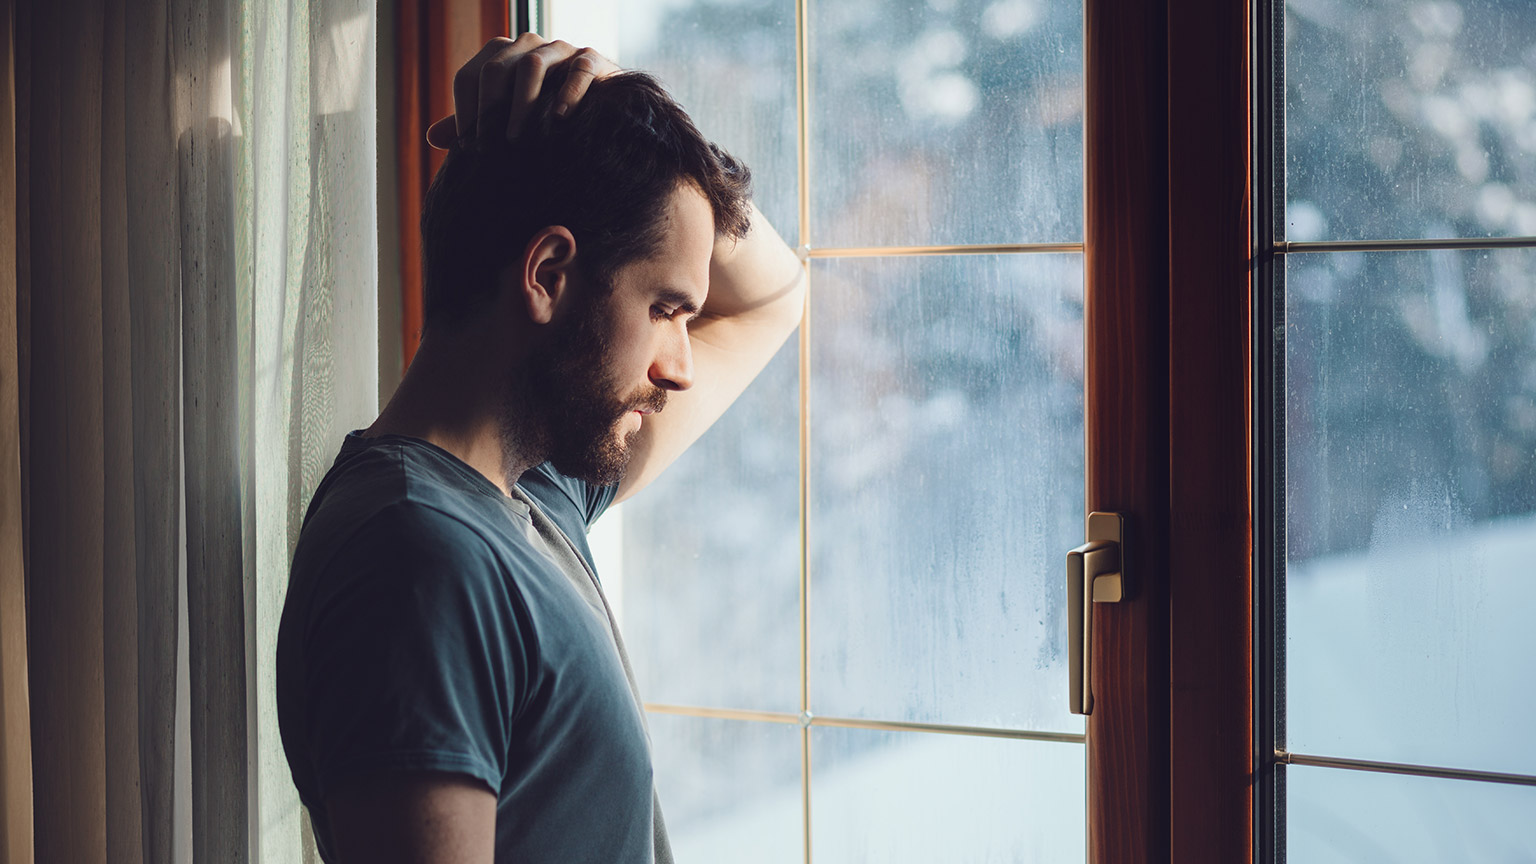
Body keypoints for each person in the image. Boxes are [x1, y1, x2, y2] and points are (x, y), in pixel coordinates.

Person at [275, 34, 804, 864]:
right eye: (667, 309)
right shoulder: (416, 557)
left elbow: (774, 295)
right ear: (549, 272)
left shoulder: (535, 492)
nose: (681, 366)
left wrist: (620, 102)